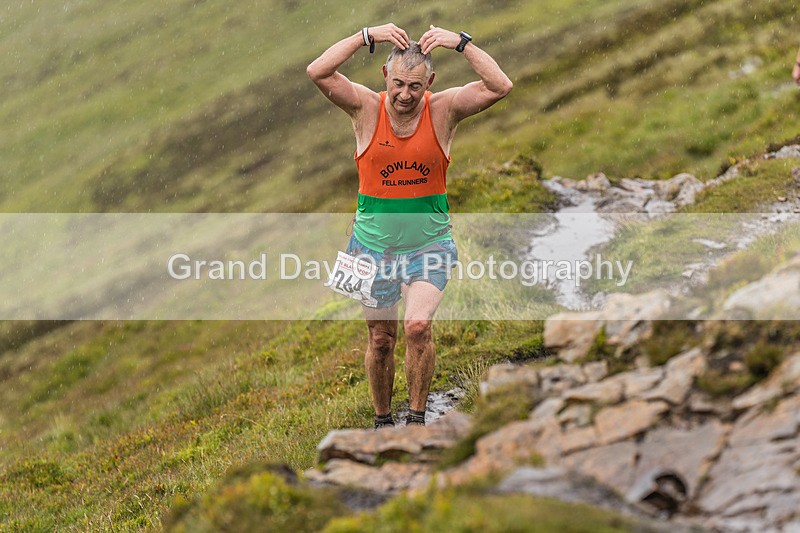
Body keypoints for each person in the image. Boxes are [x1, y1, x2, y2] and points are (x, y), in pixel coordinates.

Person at [307, 23, 512, 429]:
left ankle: (417, 421)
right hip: (369, 248)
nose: (405, 94)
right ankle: (383, 423)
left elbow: (499, 86)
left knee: (417, 327)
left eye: (415, 86)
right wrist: (366, 36)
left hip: (429, 245)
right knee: (380, 340)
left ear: (429, 83)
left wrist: (461, 43)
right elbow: (318, 72)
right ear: (385, 75)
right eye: (398, 83)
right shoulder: (365, 107)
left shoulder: (444, 109)